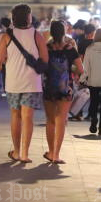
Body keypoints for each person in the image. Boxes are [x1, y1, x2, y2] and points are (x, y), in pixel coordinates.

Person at [0, 4, 48, 163]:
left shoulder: (6, 36)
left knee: (15, 116)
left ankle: (17, 151)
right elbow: (45, 59)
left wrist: (3, 63)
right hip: (32, 83)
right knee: (28, 118)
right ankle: (25, 154)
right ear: (28, 17)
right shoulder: (37, 36)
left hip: (13, 82)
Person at [42, 20, 83, 164]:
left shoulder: (46, 47)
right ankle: (56, 155)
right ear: (64, 31)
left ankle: (50, 151)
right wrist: (69, 70)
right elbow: (80, 69)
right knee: (61, 121)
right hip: (66, 88)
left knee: (50, 120)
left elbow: (41, 66)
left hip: (48, 87)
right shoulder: (70, 48)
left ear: (51, 32)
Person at [82, 27, 101, 135]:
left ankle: (93, 120)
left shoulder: (89, 48)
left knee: (93, 102)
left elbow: (85, 66)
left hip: (93, 80)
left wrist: (82, 79)